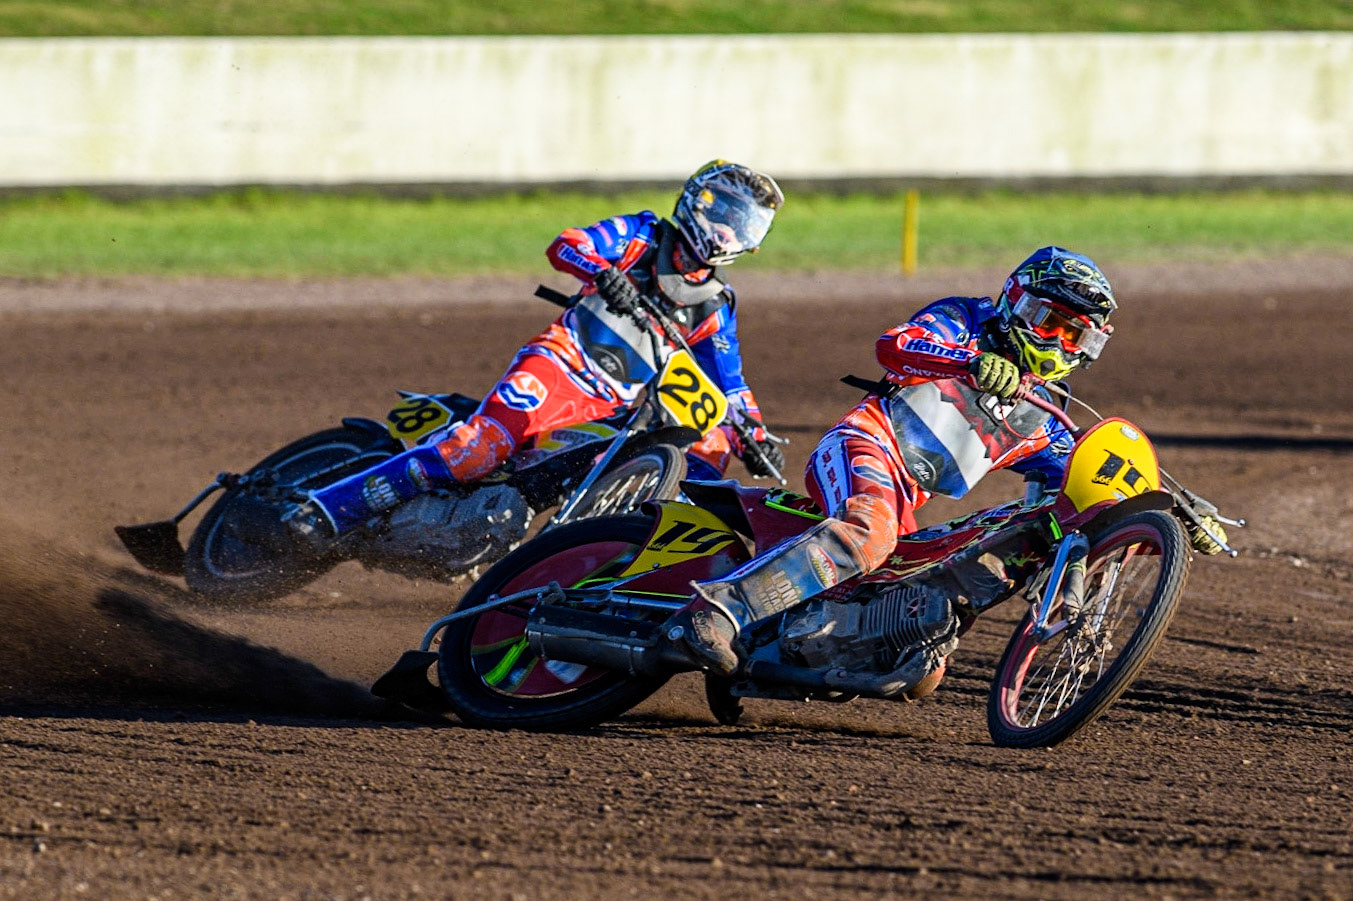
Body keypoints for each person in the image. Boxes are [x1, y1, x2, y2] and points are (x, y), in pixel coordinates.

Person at [667, 246, 1228, 685]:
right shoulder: (966, 320)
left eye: (1073, 334)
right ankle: (718, 612)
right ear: (1015, 300)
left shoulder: (1044, 415)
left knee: (919, 663)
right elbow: (895, 345)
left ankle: (782, 654)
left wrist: (1165, 514)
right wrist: (971, 362)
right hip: (864, 445)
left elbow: (1080, 481)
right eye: (1048, 320)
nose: (1056, 343)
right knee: (868, 533)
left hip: (908, 495)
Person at [298, 160, 787, 540]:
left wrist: (757, 437)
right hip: (560, 364)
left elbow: (729, 383)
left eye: (743, 226)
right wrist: (601, 273)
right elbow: (567, 244)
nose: (727, 233)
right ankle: (327, 511)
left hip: (614, 406)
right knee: (475, 452)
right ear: (696, 202)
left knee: (705, 443)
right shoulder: (642, 236)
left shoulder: (715, 306)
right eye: (722, 214)